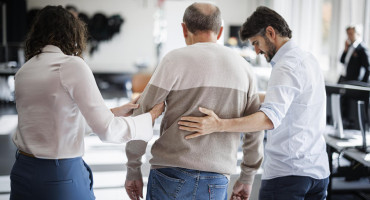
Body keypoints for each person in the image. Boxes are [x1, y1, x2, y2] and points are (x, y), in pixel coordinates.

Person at [10, 6, 164, 200]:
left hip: (23, 173)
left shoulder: (25, 71)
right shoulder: (70, 65)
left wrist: (113, 111)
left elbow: (55, 123)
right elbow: (108, 130)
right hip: (59, 177)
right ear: (71, 32)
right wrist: (149, 117)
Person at [179, 6, 330, 200]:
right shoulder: (308, 59)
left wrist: (219, 125)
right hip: (318, 172)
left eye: (256, 43)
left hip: (289, 175)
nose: (257, 51)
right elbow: (287, 101)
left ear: (270, 32)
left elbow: (268, 119)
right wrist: (244, 96)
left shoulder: (285, 66)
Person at [124, 3, 264, 200]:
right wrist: (247, 177)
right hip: (216, 178)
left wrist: (133, 168)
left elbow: (143, 114)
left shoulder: (174, 60)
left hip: (170, 173)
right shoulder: (245, 69)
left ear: (184, 28)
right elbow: (255, 128)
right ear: (220, 30)